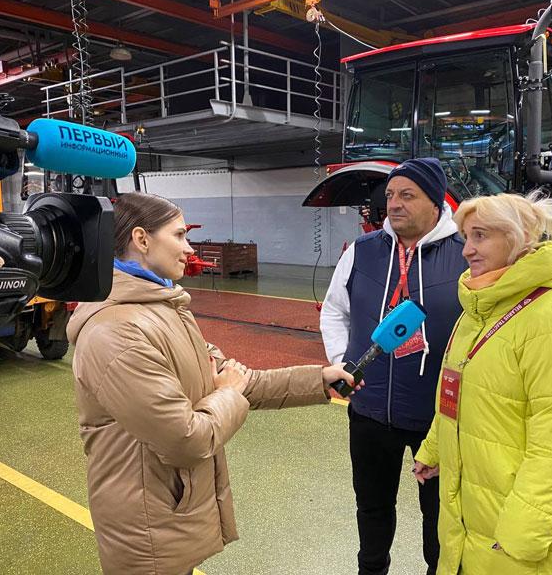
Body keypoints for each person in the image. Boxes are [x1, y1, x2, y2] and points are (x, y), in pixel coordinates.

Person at [66, 192, 361, 575]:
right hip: (146, 529)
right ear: (142, 240)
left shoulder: (163, 310)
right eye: (179, 235)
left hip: (167, 513)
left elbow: (236, 380)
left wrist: (318, 379)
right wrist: (227, 393)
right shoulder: (118, 332)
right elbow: (186, 439)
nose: (189, 248)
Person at [414, 192, 552, 575]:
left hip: (527, 540)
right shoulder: (478, 311)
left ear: (517, 239)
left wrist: (521, 535)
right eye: (466, 237)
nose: (467, 250)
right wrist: (435, 448)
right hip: (482, 516)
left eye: (480, 236)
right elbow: (457, 394)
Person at [321, 158, 468, 575]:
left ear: (436, 201)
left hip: (438, 419)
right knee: (371, 509)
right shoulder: (362, 252)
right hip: (369, 412)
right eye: (389, 195)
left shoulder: (465, 254)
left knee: (439, 518)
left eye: (407, 195)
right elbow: (334, 311)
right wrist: (342, 362)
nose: (394, 204)